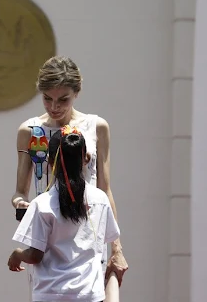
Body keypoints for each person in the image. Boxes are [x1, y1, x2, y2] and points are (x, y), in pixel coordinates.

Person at [8, 127, 121, 302]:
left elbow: (34, 254)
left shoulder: (43, 203)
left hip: (50, 297)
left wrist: (16, 255)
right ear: (85, 158)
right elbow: (106, 241)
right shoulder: (100, 200)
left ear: (49, 161)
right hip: (86, 298)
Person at [11, 56, 128, 285]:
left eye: (63, 99)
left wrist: (117, 248)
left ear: (77, 92)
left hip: (89, 232)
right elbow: (19, 192)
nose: (54, 107)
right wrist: (21, 203)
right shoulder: (30, 130)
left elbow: (105, 189)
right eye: (47, 99)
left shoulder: (97, 127)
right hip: (47, 234)